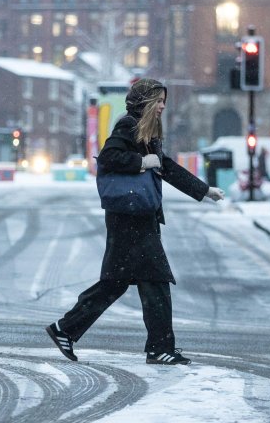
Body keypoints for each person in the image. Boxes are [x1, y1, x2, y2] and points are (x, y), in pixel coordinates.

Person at [46, 78, 225, 365]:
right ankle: (159, 348)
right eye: (159, 101)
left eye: (164, 101)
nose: (163, 106)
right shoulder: (128, 125)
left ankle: (65, 329)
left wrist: (203, 191)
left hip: (133, 218)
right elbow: (109, 157)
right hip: (130, 220)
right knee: (155, 281)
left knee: (114, 283)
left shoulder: (145, 131)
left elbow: (166, 166)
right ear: (145, 102)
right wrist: (142, 163)